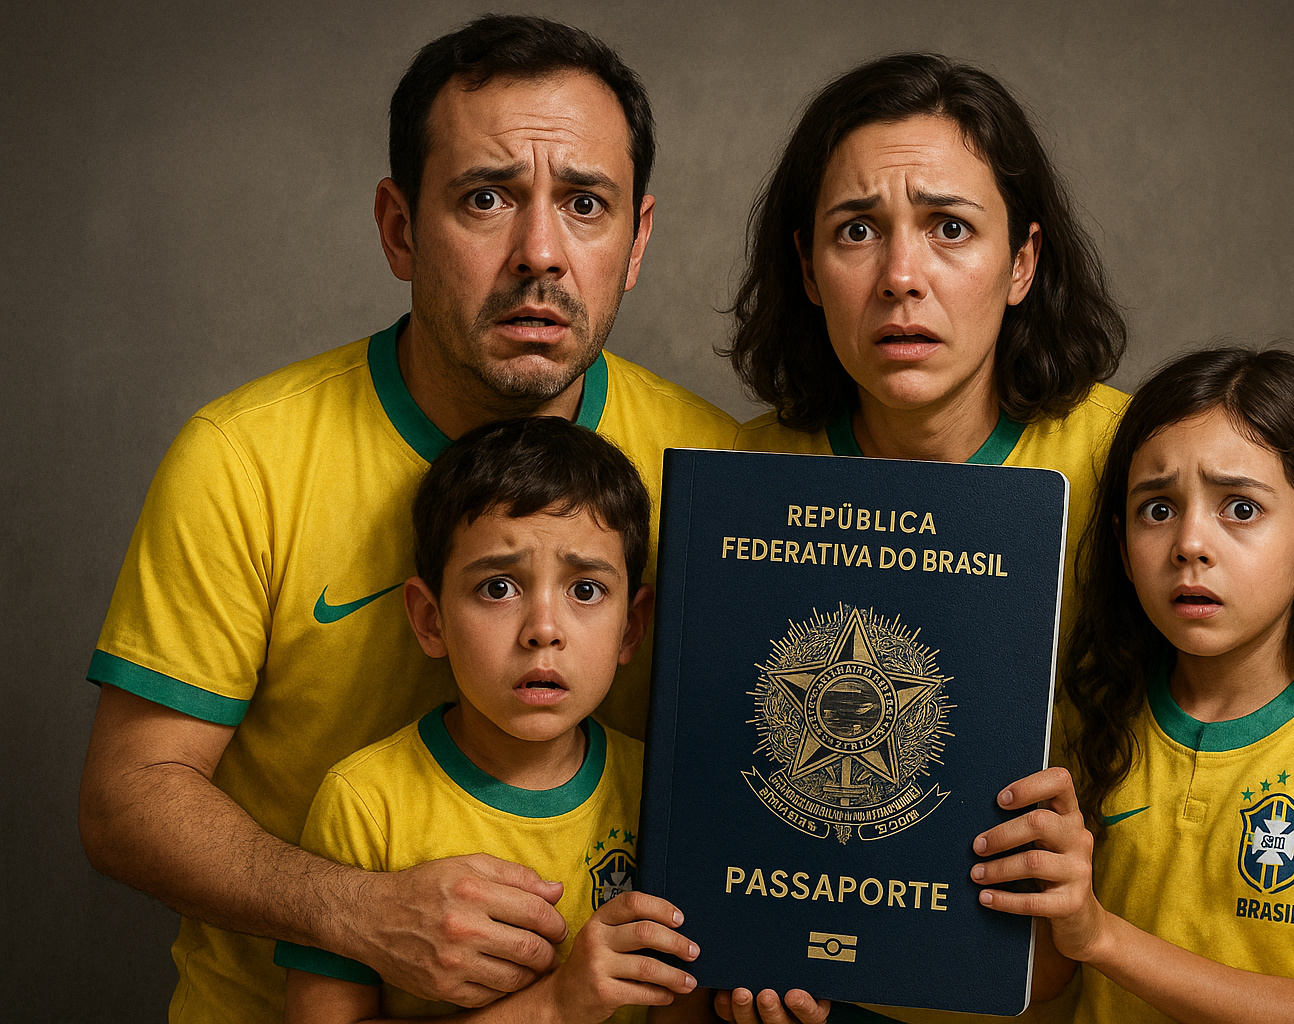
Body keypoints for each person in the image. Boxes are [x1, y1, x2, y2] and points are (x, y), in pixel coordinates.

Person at [77, 15, 736, 1024]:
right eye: (486, 199)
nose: (541, 254)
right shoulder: (242, 456)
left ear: (637, 239)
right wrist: (355, 907)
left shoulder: (714, 474)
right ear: (399, 227)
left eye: (587, 205)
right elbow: (127, 801)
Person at [725, 52, 1125, 1024]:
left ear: (1023, 263)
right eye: (857, 231)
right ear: (809, 271)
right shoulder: (739, 488)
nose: (902, 277)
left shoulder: (1136, 470)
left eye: (950, 228)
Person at [970, 348, 1294, 1023]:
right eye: (1158, 509)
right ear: (1122, 549)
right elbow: (1050, 971)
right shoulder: (1100, 712)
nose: (1190, 543)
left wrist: (1106, 938)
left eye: (1239, 507)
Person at [278, 417, 709, 1024]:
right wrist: (558, 1004)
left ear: (632, 627)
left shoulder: (661, 796)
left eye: (585, 591)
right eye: (498, 587)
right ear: (431, 620)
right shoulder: (366, 804)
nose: (543, 629)